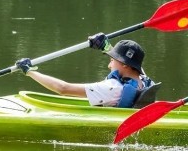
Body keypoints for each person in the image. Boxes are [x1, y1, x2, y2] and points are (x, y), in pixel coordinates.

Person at [15, 35, 153, 108]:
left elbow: (63, 88)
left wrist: (29, 71)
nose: (109, 65)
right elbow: (129, 65)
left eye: (112, 59)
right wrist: (105, 46)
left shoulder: (112, 88)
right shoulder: (143, 80)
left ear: (125, 65)